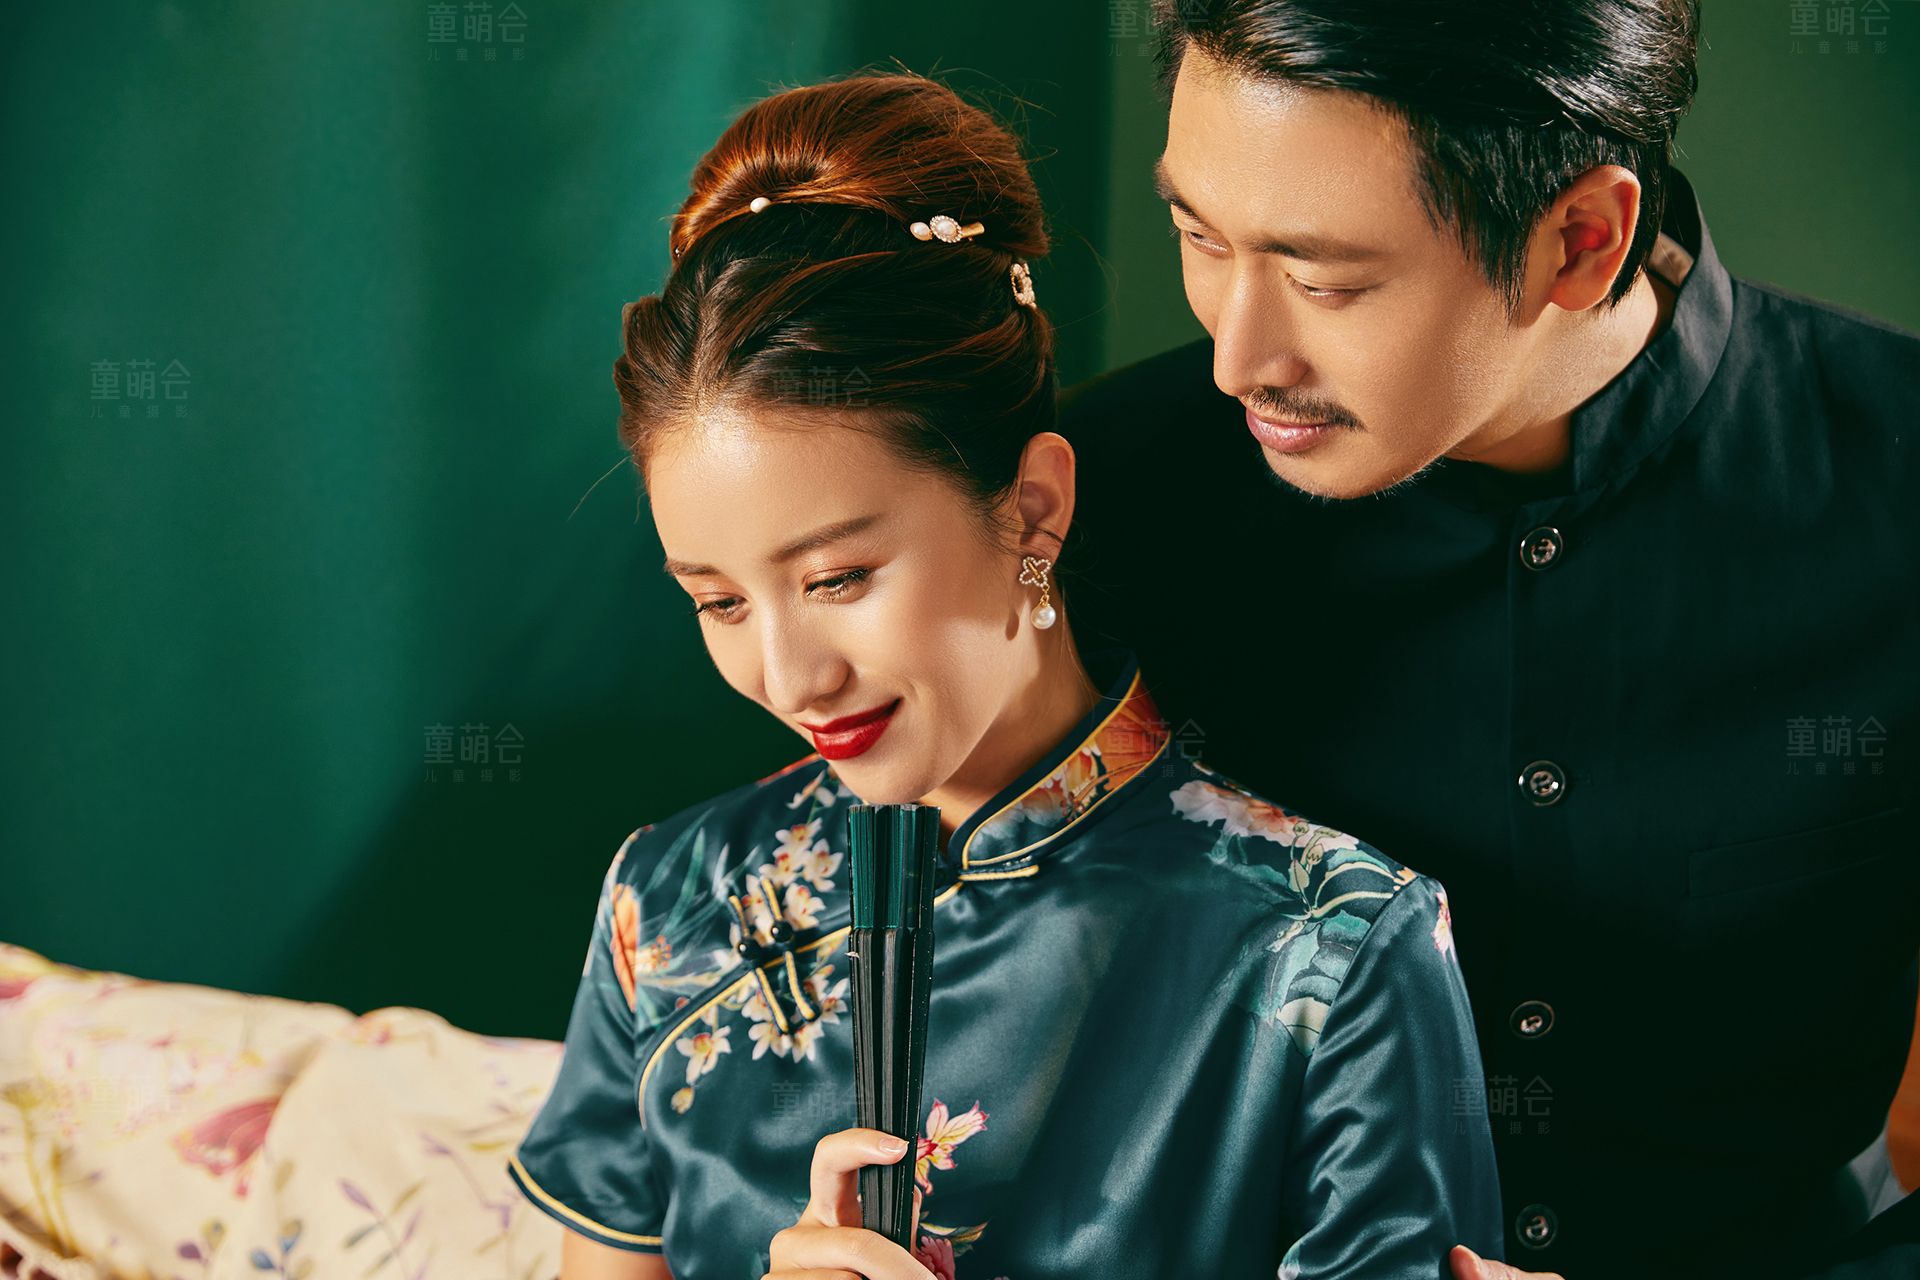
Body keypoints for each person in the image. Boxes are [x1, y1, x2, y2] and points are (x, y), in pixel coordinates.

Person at [505, 72, 1504, 1280]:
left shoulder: (1330, 948)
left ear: (1033, 505)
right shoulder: (671, 904)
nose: (789, 674)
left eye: (838, 577)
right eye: (718, 600)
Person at [1054, 3, 1920, 1278]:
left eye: (1325, 280)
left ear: (1581, 239)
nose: (1239, 356)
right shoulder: (1096, 509)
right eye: (1199, 235)